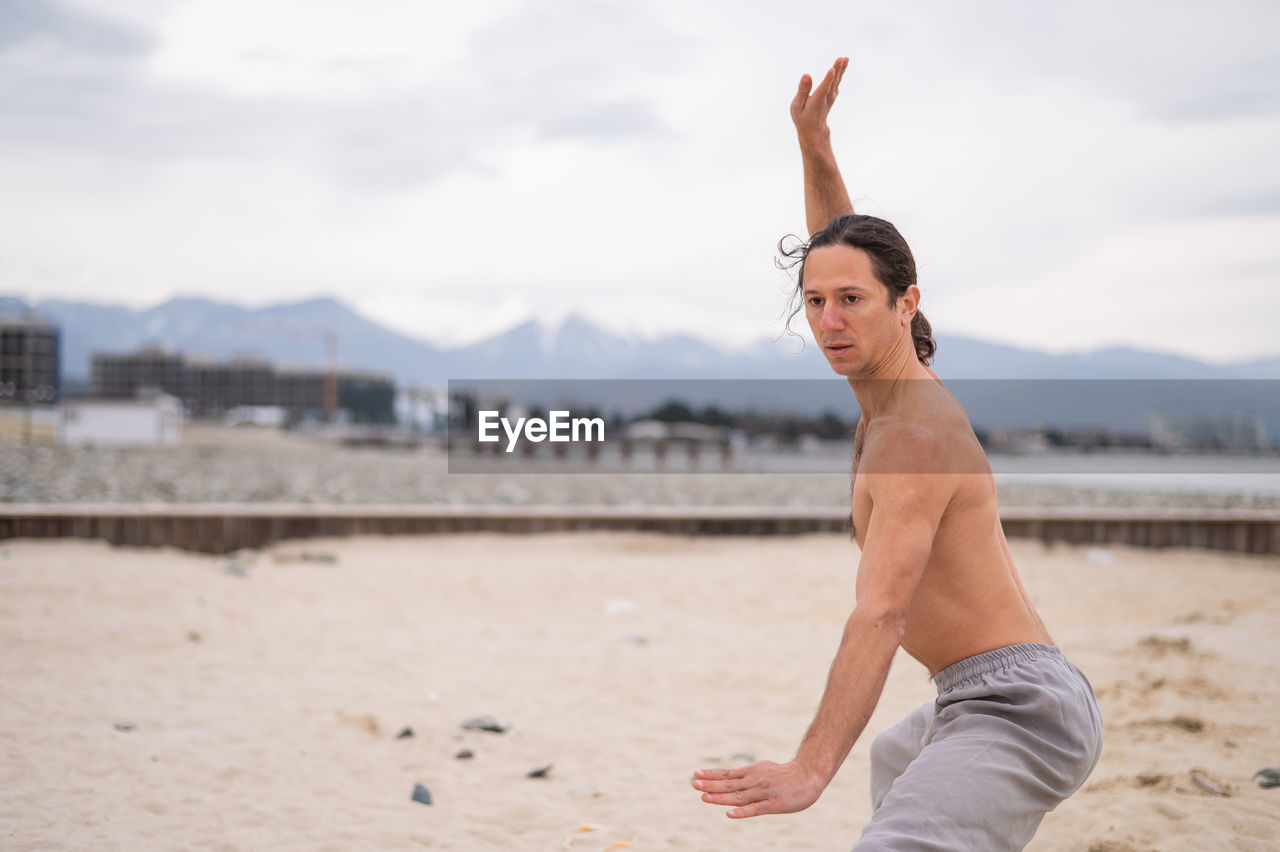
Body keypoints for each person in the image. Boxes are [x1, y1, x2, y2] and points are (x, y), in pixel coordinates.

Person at [690, 57, 1104, 849]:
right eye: (815, 302)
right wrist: (815, 148)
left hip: (1020, 708)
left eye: (851, 302)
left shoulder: (914, 435)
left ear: (905, 305)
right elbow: (846, 250)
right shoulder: (891, 390)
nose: (830, 320)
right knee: (896, 760)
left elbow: (881, 612)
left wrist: (809, 769)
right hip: (968, 697)